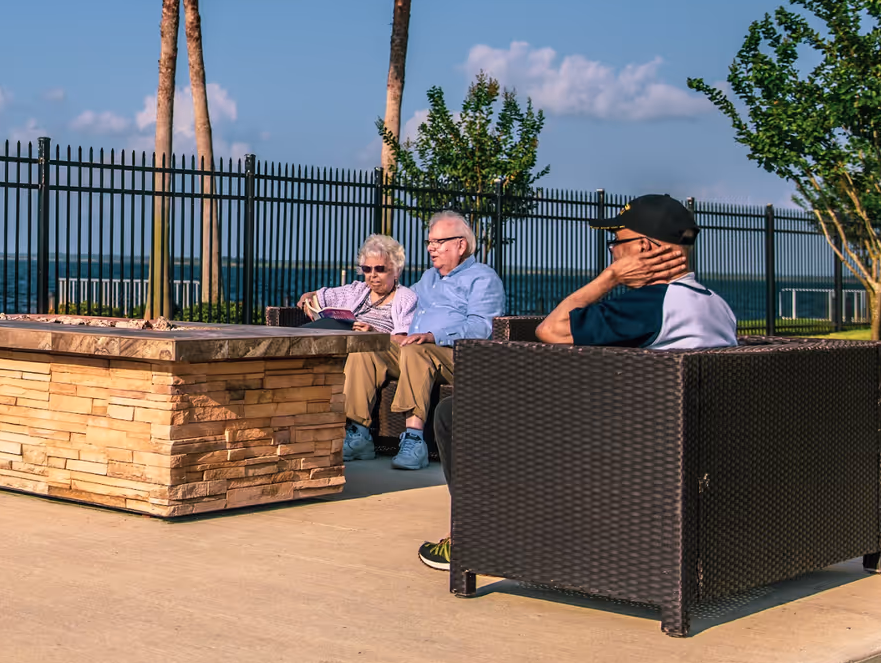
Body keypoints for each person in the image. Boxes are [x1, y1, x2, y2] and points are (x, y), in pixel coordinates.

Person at [417, 194, 736, 571]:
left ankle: (472, 536)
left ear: (644, 248)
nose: (612, 254)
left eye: (616, 243)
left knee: (457, 413)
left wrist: (610, 279)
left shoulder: (653, 304)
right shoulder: (717, 304)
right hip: (686, 445)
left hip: (625, 455)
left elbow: (549, 330)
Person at [349, 211, 506, 471]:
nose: (431, 248)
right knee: (367, 347)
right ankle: (358, 434)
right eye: (429, 242)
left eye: (438, 242)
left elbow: (482, 326)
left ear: (461, 245)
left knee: (416, 351)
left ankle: (414, 439)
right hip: (418, 352)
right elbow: (399, 305)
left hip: (459, 357)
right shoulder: (428, 278)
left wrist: (434, 336)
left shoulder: (483, 278)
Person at [294, 235, 418, 461]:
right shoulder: (356, 291)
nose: (372, 275)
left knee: (361, 352)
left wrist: (374, 333)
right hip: (352, 348)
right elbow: (313, 295)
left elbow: (405, 342)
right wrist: (308, 303)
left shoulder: (406, 298)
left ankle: (359, 432)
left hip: (387, 352)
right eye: (367, 269)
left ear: (396, 271)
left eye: (380, 269)